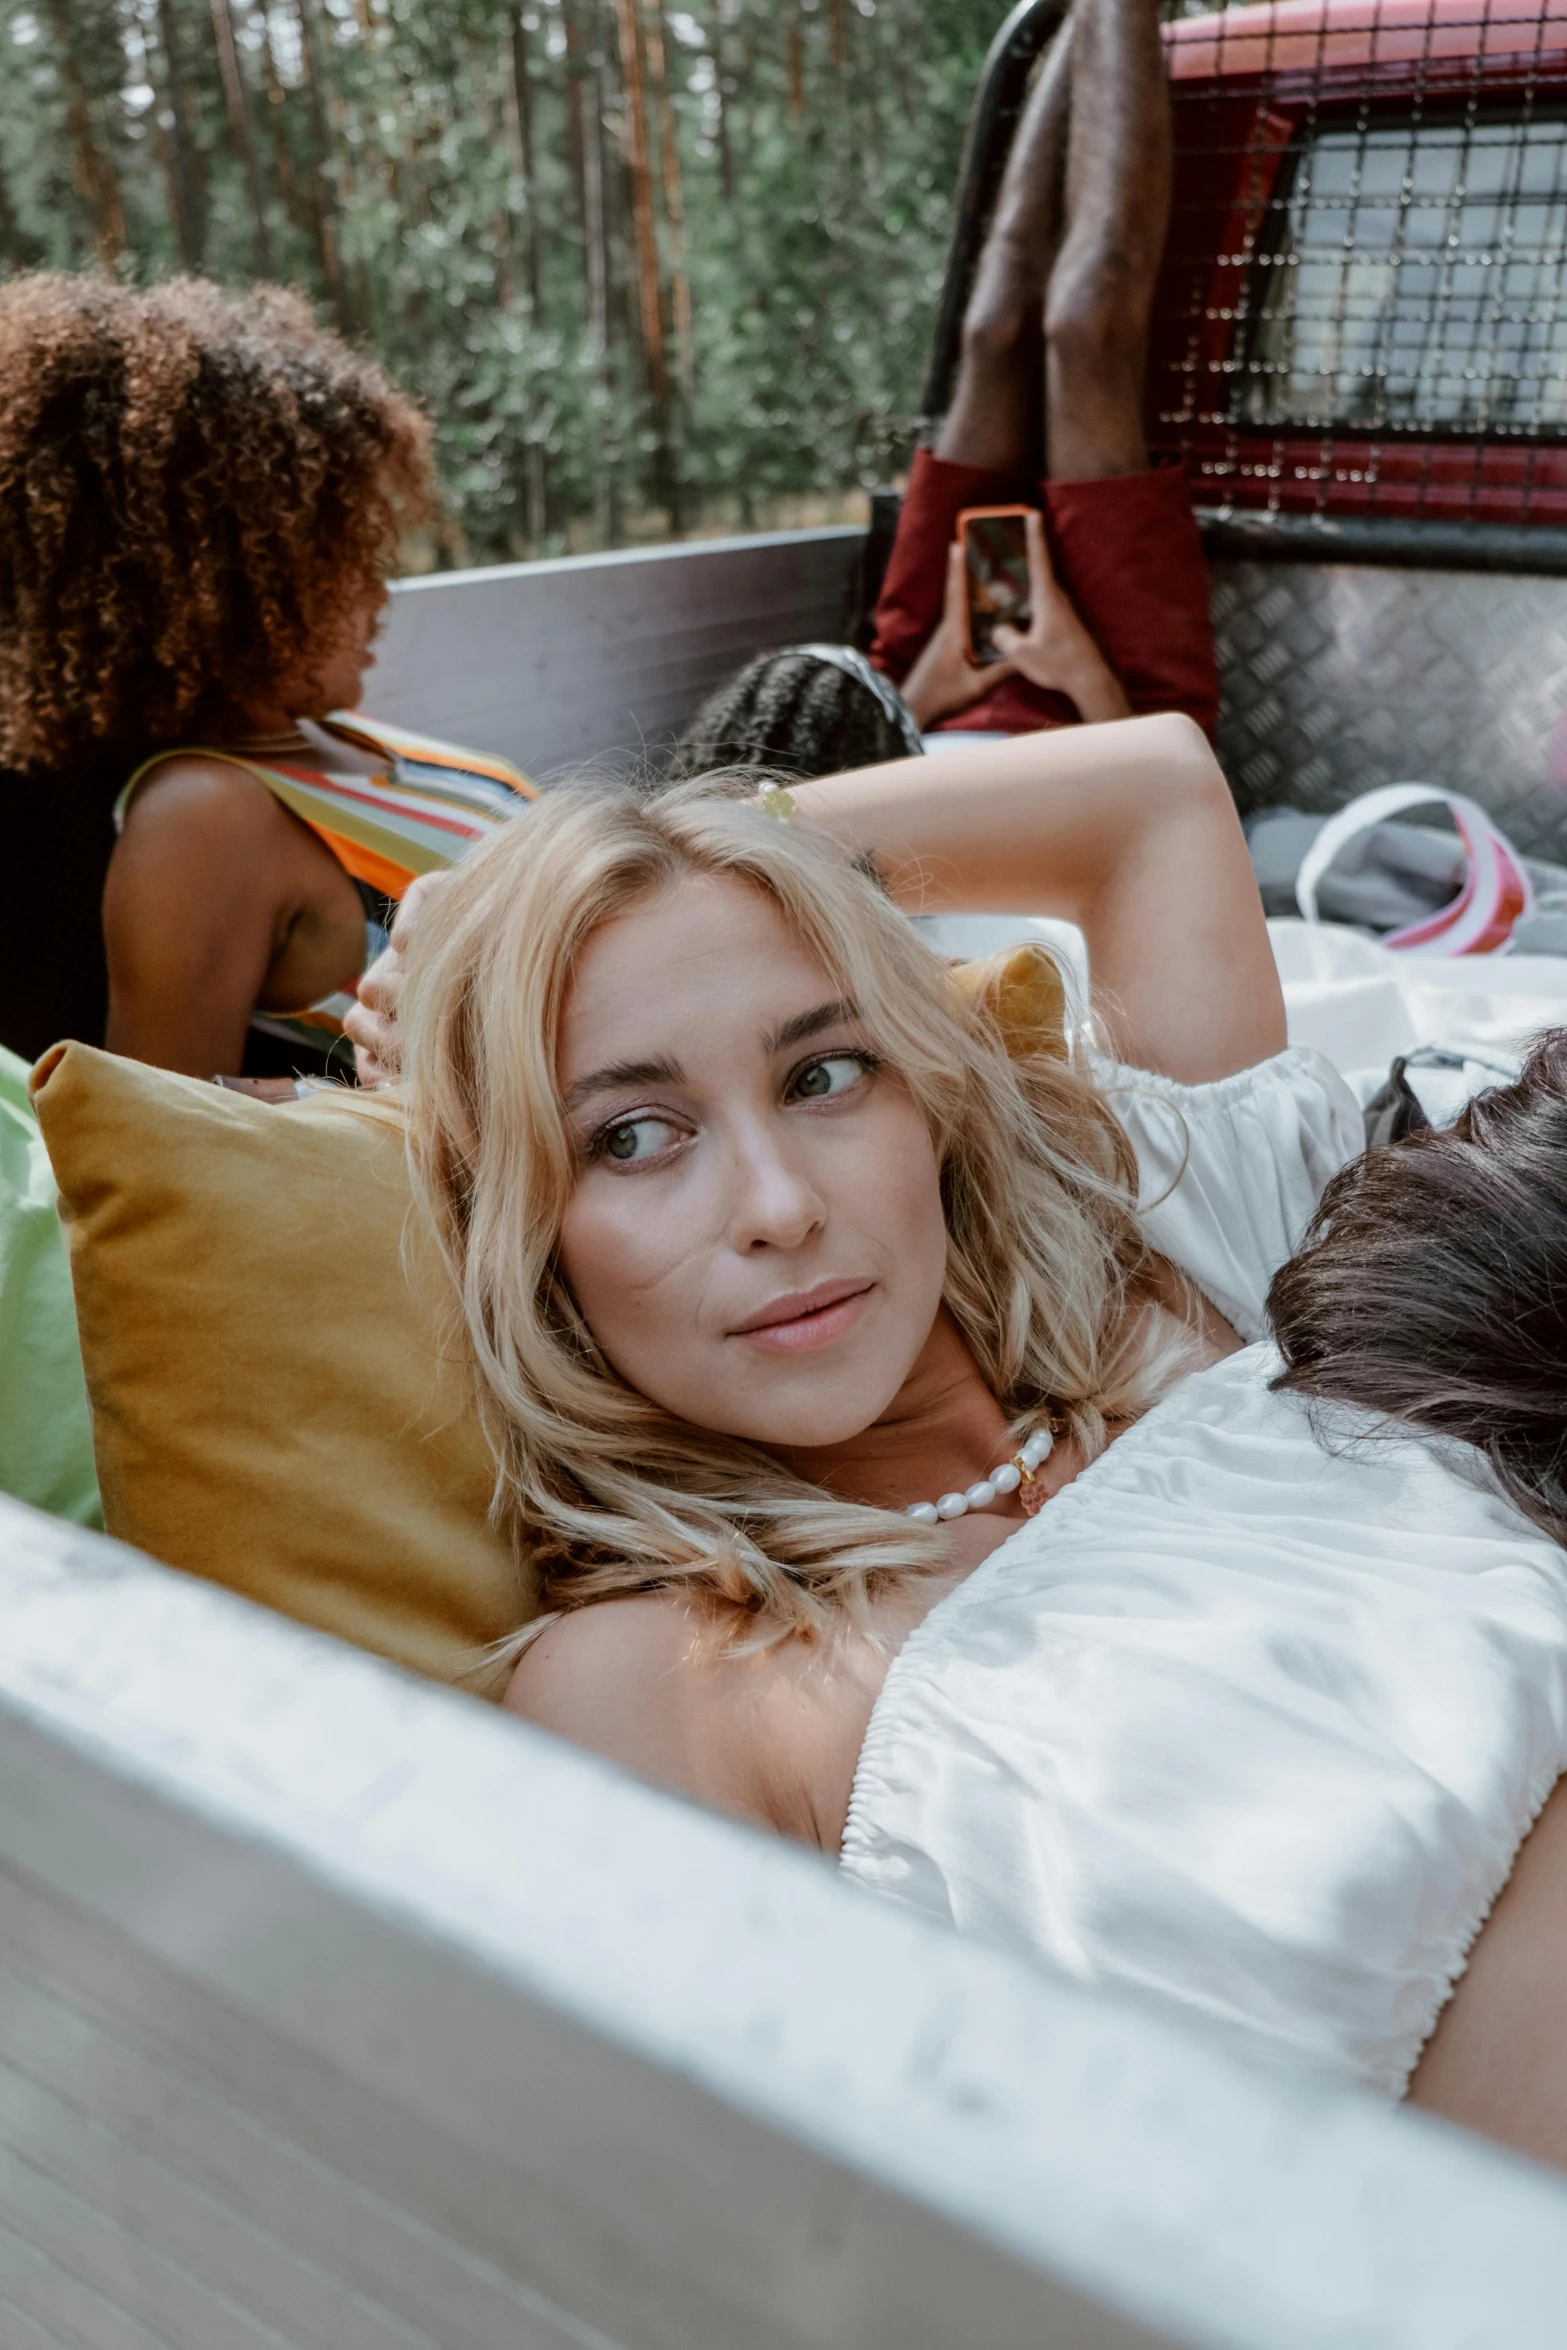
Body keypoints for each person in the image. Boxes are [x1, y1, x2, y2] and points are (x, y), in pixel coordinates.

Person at [388, 716, 1567, 2173]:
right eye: (633, 1135)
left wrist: (673, 851)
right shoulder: (666, 1682)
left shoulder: (1184, 1243)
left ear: (923, 1099)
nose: (775, 1205)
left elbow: (1151, 793)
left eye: (823, 1074)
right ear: (529, 1234)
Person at [0, 274, 530, 1081]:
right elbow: (173, 1141)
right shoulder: (202, 815)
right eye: (342, 550)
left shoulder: (329, 739)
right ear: (226, 585)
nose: (379, 589)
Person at [677, 0, 1216, 779]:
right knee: (1083, 327)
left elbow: (842, 773)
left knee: (993, 330)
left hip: (911, 685)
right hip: (1125, 711)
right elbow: (1168, 787)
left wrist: (934, 678)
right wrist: (1072, 664)